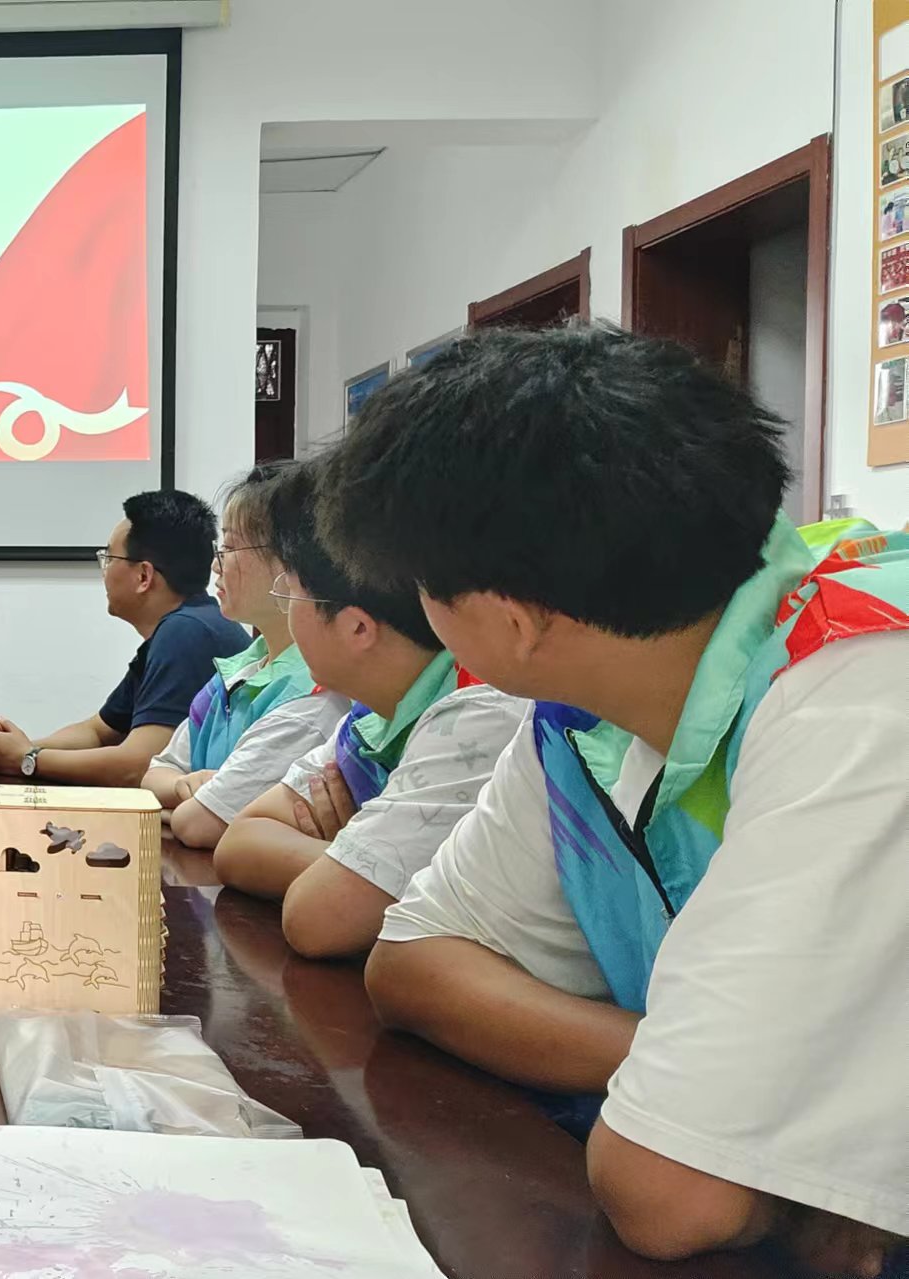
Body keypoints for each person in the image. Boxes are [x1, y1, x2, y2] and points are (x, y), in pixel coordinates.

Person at [324, 325, 909, 1273]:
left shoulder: (860, 685)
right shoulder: (583, 713)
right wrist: (690, 1079)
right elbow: (414, 964)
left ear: (511, 620)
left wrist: (697, 1116)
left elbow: (667, 1196)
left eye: (421, 586)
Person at [210, 460, 526, 960]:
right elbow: (238, 844)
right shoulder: (367, 720)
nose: (288, 610)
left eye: (292, 592)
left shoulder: (477, 714)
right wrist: (353, 860)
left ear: (357, 627)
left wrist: (357, 865)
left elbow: (318, 918)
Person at [0, 490, 249, 784]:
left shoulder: (188, 633)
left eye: (109, 558)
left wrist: (27, 759)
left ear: (143, 576)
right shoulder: (186, 625)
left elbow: (137, 766)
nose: (104, 572)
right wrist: (14, 748)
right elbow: (98, 731)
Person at [141, 462, 350, 848]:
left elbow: (201, 824)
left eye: (231, 547)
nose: (216, 565)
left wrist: (177, 805)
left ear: (291, 563)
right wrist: (185, 789)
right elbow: (155, 775)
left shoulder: (314, 694)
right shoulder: (239, 671)